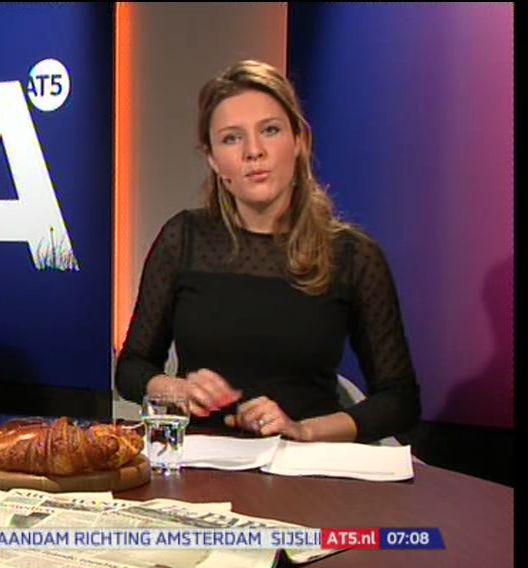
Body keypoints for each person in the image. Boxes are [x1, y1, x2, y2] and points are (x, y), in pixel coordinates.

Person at [115, 60, 420, 443]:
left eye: (270, 130)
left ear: (299, 141)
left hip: (306, 463)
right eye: (232, 138)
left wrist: (304, 430)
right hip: (203, 459)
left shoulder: (353, 256)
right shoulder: (183, 239)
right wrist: (174, 389)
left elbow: (399, 401)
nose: (253, 152)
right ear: (212, 159)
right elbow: (131, 369)